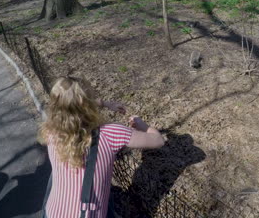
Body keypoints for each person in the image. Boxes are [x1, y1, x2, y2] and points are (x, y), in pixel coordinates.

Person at [38, 76, 165, 218]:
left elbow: (71, 108)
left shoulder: (51, 132)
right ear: (87, 104)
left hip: (52, 212)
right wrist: (142, 125)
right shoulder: (110, 134)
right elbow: (158, 141)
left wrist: (105, 103)